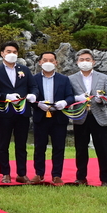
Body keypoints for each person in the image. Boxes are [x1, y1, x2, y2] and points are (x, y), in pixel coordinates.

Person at [0, 41, 38, 184]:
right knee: (3, 144)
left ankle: (21, 173)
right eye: (8, 51)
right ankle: (5, 173)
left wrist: (33, 95)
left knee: (21, 144)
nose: (12, 54)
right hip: (5, 112)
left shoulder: (24, 69)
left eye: (15, 52)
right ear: (2, 53)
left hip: (22, 112)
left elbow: (33, 86)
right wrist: (6, 96)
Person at [69, 49, 107, 186]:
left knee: (103, 149)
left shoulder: (103, 78)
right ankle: (81, 177)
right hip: (80, 117)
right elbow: (68, 97)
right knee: (81, 149)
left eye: (87, 59)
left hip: (99, 117)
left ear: (93, 62)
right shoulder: (71, 79)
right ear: (77, 62)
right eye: (82, 60)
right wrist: (77, 98)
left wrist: (102, 99)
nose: (85, 62)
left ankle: (106, 179)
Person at [31, 52, 75, 184]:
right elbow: (30, 97)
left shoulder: (64, 79)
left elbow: (70, 96)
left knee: (59, 147)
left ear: (56, 62)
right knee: (39, 147)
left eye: (51, 60)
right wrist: (38, 104)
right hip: (41, 117)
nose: (48, 62)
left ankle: (56, 174)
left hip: (59, 118)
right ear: (40, 62)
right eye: (45, 60)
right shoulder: (34, 79)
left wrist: (65, 103)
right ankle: (39, 174)